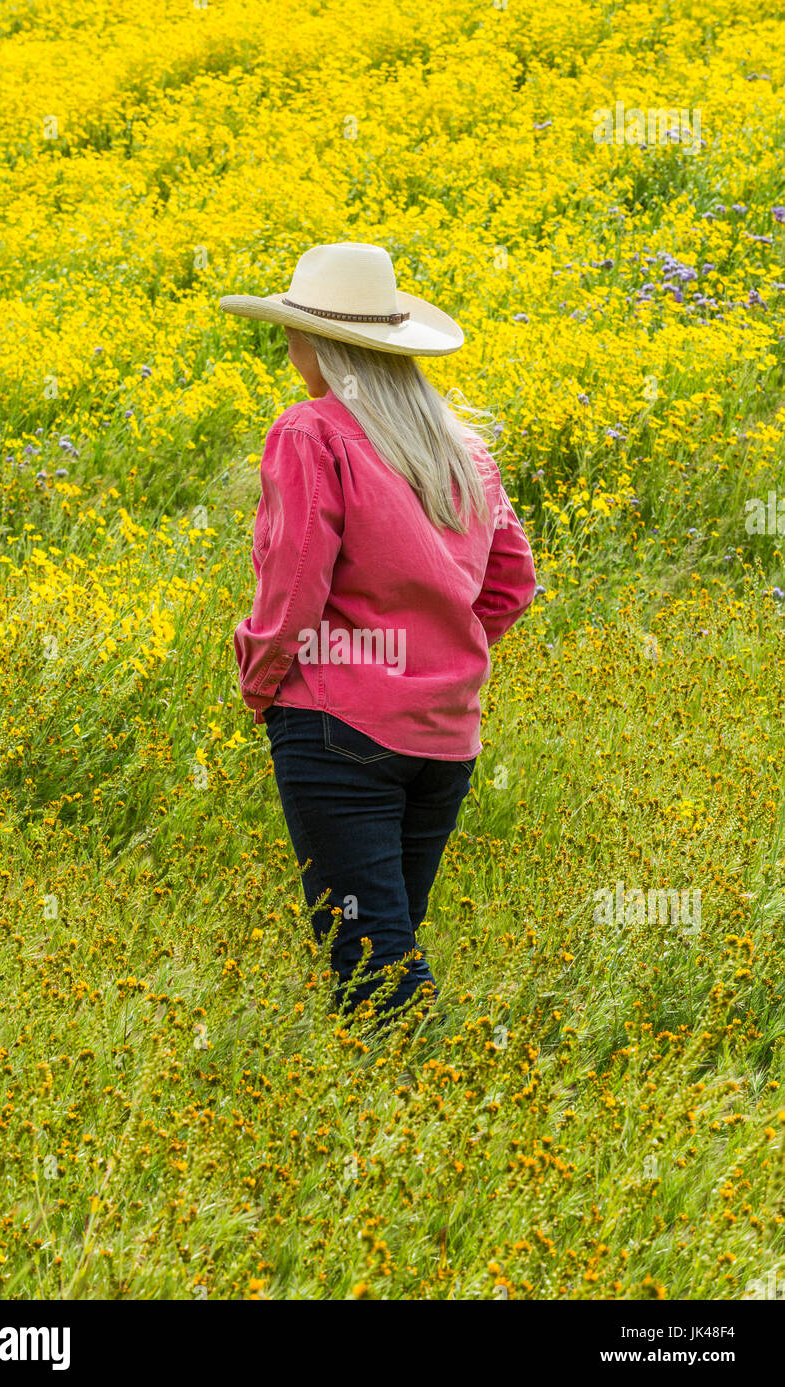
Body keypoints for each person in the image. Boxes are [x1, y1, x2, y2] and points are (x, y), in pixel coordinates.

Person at [220, 241, 537, 1026]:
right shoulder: (459, 445)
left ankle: (424, 1110)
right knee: (386, 936)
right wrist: (439, 653)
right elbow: (511, 583)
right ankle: (400, 1107)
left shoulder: (311, 432)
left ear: (315, 344)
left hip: (337, 725)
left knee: (371, 959)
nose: (290, 351)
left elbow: (294, 586)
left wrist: (261, 685)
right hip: (444, 739)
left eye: (292, 334)